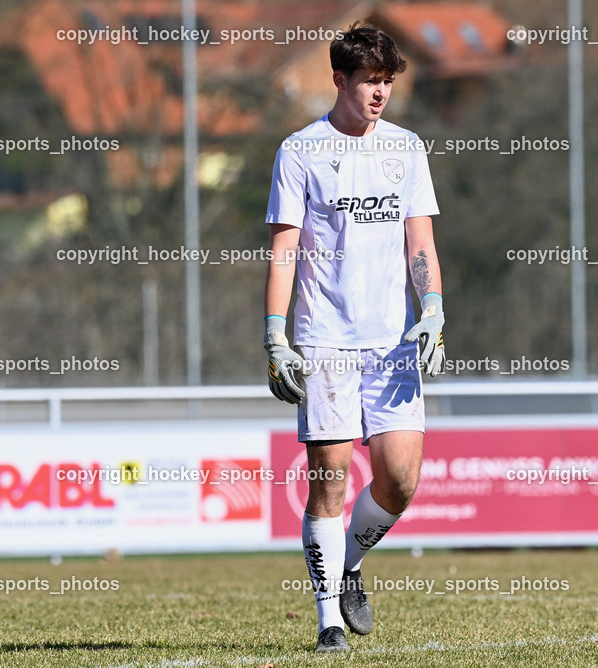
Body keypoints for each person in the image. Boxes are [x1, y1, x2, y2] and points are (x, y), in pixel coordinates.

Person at [262, 22, 446, 653]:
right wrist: (275, 335)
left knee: (400, 479)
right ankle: (329, 622)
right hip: (325, 341)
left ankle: (350, 567)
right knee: (331, 481)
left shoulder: (407, 148)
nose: (379, 93)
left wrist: (434, 308)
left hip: (393, 343)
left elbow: (419, 239)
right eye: (369, 80)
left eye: (387, 82)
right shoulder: (300, 152)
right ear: (338, 79)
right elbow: (285, 250)